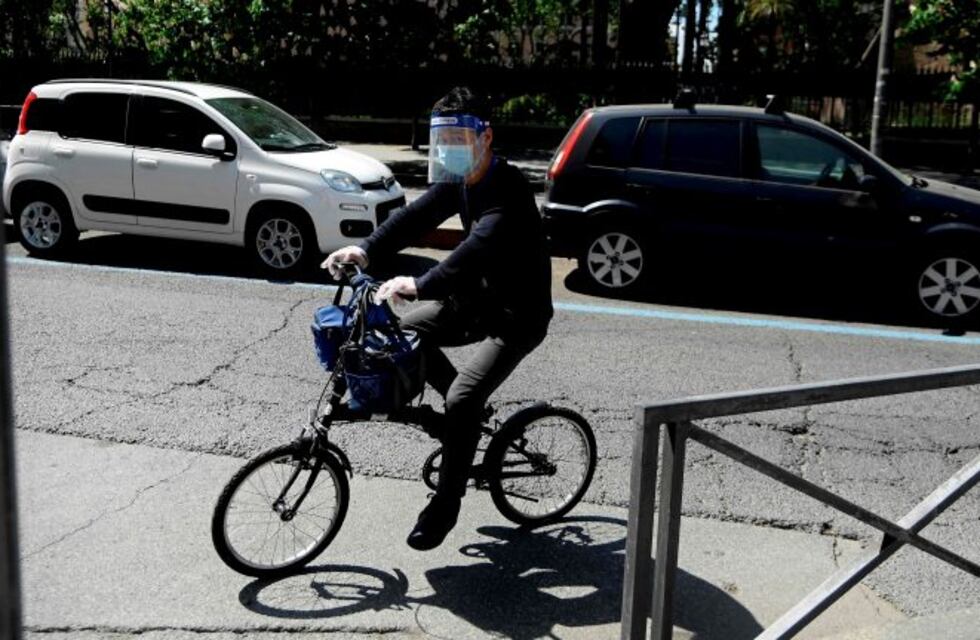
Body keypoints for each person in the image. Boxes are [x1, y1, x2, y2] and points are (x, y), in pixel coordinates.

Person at [322, 86, 553, 551]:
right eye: (441, 138)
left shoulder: (507, 191)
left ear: (485, 137)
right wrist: (364, 251)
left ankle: (445, 505)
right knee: (402, 334)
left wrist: (418, 284)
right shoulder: (459, 181)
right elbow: (413, 218)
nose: (447, 148)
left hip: (517, 315)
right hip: (474, 302)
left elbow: (473, 252)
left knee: (463, 399)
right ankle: (462, 419)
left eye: (457, 138)